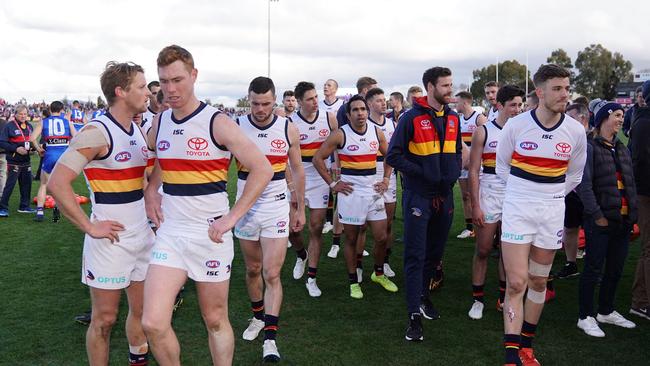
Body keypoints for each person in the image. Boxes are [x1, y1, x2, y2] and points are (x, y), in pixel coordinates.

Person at [141, 45, 272, 366]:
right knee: (152, 323)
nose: (170, 89)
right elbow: (164, 160)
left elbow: (263, 169)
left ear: (194, 76)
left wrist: (231, 218)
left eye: (177, 80)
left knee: (214, 319)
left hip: (210, 235)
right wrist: (151, 189)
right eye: (163, 81)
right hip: (171, 233)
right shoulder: (160, 122)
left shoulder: (218, 122)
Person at [47, 61, 154, 366]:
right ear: (121, 91)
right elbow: (57, 183)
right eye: (142, 86)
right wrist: (90, 227)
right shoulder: (97, 131)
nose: (148, 92)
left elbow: (146, 178)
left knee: (142, 313)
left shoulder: (137, 127)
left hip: (143, 235)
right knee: (105, 320)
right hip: (110, 240)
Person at [495, 64, 586, 365]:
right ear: (540, 91)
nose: (564, 94)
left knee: (538, 282)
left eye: (566, 88)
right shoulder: (517, 125)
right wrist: (524, 193)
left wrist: (551, 195)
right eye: (558, 89)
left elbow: (574, 174)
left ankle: (526, 346)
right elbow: (502, 166)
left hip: (551, 211)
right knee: (517, 282)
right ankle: (511, 355)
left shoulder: (575, 131)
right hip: (519, 209)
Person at [386, 66, 463, 341]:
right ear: (430, 87)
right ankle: (413, 316)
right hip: (418, 196)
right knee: (415, 255)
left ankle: (423, 296)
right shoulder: (410, 118)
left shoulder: (453, 117)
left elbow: (456, 153)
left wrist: (452, 174)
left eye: (450, 85)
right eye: (445, 86)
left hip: (444, 196)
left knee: (435, 253)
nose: (450, 90)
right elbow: (393, 156)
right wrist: (422, 172)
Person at [235, 77, 305, 362]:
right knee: (253, 269)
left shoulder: (288, 128)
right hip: (245, 208)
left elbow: (298, 170)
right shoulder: (237, 126)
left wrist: (298, 208)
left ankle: (270, 339)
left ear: (274, 101)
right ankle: (257, 317)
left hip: (276, 207)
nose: (260, 109)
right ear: (247, 100)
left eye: (266, 103)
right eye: (255, 103)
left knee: (272, 273)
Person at [313, 94, 398, 299]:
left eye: (363, 109)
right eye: (355, 110)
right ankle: (353, 282)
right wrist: (333, 184)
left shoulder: (377, 132)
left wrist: (386, 179)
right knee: (351, 238)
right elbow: (318, 158)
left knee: (381, 236)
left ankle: (378, 273)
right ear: (349, 114)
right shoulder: (340, 134)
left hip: (373, 192)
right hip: (350, 194)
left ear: (367, 112)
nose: (360, 113)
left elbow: (391, 156)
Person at [576, 100, 638, 337]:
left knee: (615, 270)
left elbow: (629, 183)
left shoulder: (622, 147)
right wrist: (597, 216)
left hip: (622, 222)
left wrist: (632, 215)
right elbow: (584, 186)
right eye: (618, 115)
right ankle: (585, 316)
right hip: (600, 222)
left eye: (623, 116)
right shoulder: (590, 147)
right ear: (604, 118)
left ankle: (606, 310)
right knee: (593, 270)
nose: (622, 120)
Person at [467, 85, 524, 321]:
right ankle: (477, 299)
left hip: (514, 197)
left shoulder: (524, 130)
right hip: (489, 194)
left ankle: (503, 297)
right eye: (513, 105)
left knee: (507, 251)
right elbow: (472, 171)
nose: (517, 109)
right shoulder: (484, 131)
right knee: (483, 250)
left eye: (520, 105)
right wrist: (475, 206)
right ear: (499, 105)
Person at [287, 81, 338, 297]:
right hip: (295, 178)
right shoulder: (288, 122)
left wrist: (336, 172)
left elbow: (338, 147)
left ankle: (312, 278)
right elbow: (283, 159)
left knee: (316, 227)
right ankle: (301, 255)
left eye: (316, 97)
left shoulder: (329, 118)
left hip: (319, 178)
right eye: (309, 99)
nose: (315, 101)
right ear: (299, 102)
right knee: (291, 229)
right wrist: (290, 184)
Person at [553, 103, 591, 279]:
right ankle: (571, 263)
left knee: (594, 229)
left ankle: (594, 265)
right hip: (571, 190)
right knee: (570, 228)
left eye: (571, 117)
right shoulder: (566, 136)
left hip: (590, 192)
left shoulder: (594, 138)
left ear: (583, 118)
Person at [366, 87, 398, 277]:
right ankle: (359, 264)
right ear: (369, 103)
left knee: (388, 222)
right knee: (362, 225)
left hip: (388, 173)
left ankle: (384, 261)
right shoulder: (363, 123)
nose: (383, 102)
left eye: (383, 99)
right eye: (378, 100)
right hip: (367, 173)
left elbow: (394, 152)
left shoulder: (392, 124)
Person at [30, 101, 76, 222]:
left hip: (50, 155)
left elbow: (32, 138)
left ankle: (40, 212)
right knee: (62, 184)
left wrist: (39, 149)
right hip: (64, 156)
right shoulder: (67, 121)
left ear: (50, 110)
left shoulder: (44, 121)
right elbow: (76, 138)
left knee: (44, 184)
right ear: (62, 110)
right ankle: (58, 208)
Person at [629, 80, 650, 321]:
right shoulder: (644, 122)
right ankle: (641, 302)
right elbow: (641, 162)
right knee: (648, 249)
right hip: (645, 193)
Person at [456, 91, 487, 239]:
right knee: (465, 196)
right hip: (463, 164)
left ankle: (484, 225)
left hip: (476, 164)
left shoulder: (479, 118)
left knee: (479, 195)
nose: (455, 105)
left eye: (457, 102)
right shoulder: (458, 120)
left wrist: (474, 160)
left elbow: (488, 141)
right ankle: (469, 228)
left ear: (465, 102)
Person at [0, 104, 36, 217]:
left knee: (27, 184)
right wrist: (16, 148)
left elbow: (31, 141)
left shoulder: (30, 126)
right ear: (15, 114)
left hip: (26, 160)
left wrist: (32, 149)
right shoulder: (9, 126)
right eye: (20, 114)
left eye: (25, 114)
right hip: (13, 160)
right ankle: (3, 208)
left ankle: (24, 206)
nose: (23, 116)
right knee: (10, 185)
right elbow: (2, 142)